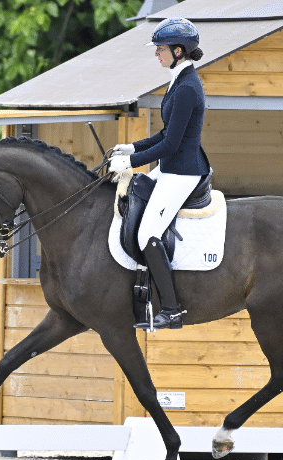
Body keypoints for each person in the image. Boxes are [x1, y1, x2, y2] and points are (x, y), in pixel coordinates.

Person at [109, 17, 209, 331]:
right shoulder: (179, 79)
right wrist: (130, 147)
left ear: (178, 51)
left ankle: (172, 309)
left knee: (148, 233)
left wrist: (132, 162)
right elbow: (166, 133)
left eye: (160, 49)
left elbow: (170, 145)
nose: (157, 54)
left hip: (182, 173)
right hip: (169, 168)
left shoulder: (187, 87)